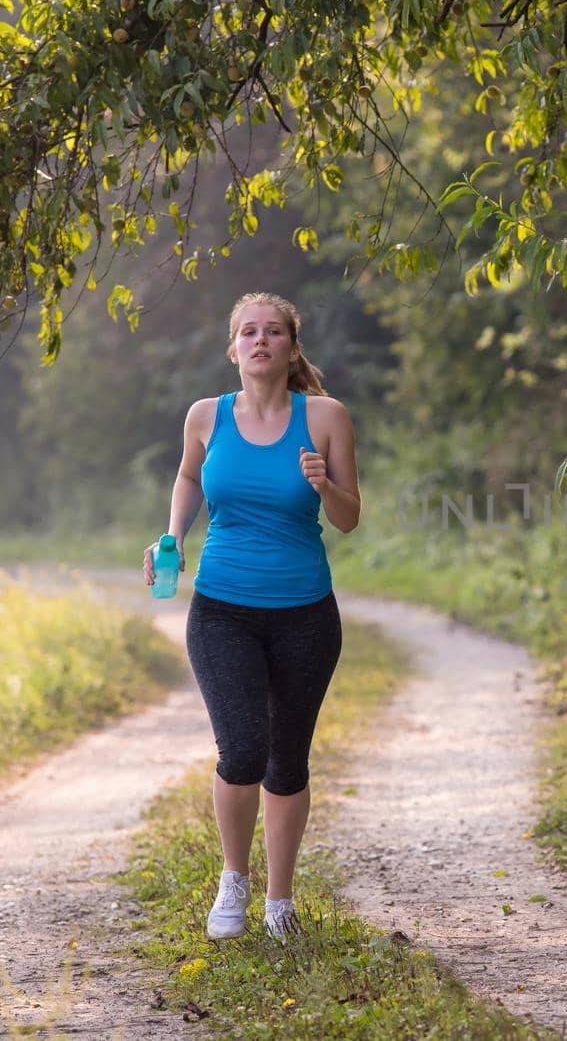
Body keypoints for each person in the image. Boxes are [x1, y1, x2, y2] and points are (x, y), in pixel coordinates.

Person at [142, 291, 361, 942]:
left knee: (287, 762)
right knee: (241, 751)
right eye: (248, 331)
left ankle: (279, 904)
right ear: (233, 348)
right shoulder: (206, 417)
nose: (260, 340)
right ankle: (232, 884)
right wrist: (172, 536)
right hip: (222, 612)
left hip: (305, 617)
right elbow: (187, 477)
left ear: (291, 348)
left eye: (273, 332)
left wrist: (325, 487)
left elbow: (349, 519)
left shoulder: (325, 416)